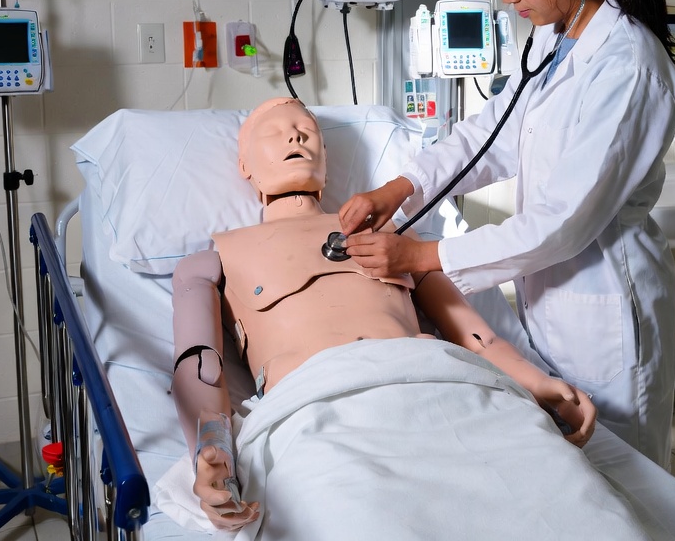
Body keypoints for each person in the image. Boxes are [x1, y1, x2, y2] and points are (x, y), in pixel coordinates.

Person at [339, 0, 675, 468]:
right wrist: (399, 189)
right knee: (565, 473)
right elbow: (489, 137)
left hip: (604, 307)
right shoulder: (556, 41)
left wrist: (419, 257)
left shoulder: (627, 65)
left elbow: (564, 222)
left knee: (624, 481)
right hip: (548, 299)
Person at [169, 97, 609, 533]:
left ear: (325, 158)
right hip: (316, 412)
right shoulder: (214, 258)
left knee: (565, 506)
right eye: (274, 130)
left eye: (309, 131)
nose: (295, 134)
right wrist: (212, 450)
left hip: (445, 388)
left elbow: (479, 339)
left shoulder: (396, 238)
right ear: (244, 165)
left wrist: (535, 382)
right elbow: (199, 369)